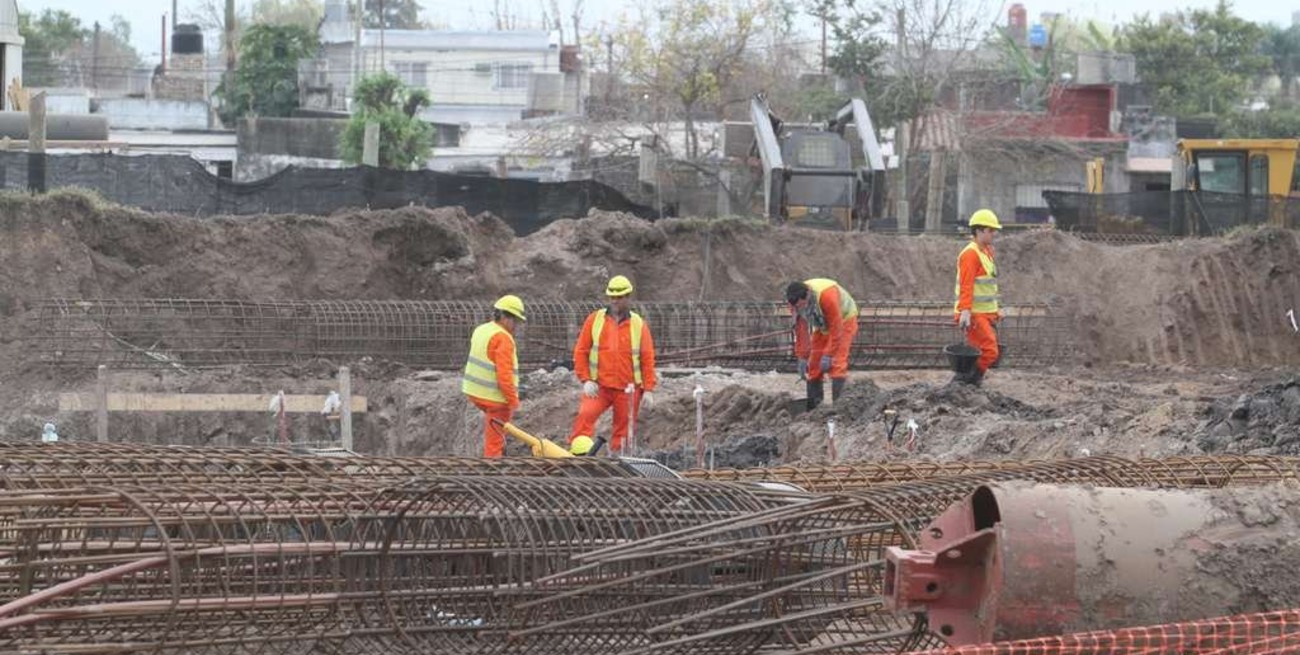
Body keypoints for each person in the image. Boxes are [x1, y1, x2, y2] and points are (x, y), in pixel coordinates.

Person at [569, 275, 657, 454]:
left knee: (623, 431)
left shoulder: (638, 325)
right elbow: (581, 351)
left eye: (620, 297)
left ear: (628, 297)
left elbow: (647, 358)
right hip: (599, 386)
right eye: (612, 297)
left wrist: (648, 389)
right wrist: (585, 379)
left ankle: (618, 461)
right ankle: (578, 455)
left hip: (628, 389)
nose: (615, 301)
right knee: (585, 416)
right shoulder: (595, 320)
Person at [462, 295, 526, 457]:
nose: (515, 326)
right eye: (515, 321)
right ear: (504, 317)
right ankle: (493, 466)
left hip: (474, 391)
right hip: (494, 398)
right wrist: (513, 402)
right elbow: (504, 376)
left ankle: (496, 454)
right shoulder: (503, 338)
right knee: (494, 440)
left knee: (495, 428)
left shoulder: (482, 329)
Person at [786, 278, 859, 410]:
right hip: (822, 325)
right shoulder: (794, 304)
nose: (800, 309)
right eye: (797, 307)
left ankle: (839, 408)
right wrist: (802, 357)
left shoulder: (827, 296)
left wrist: (829, 354)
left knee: (837, 363)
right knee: (814, 366)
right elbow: (801, 331)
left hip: (844, 320)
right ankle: (815, 409)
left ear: (808, 295)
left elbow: (836, 328)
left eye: (802, 305)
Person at [954, 209, 1003, 386]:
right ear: (979, 231)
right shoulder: (970, 254)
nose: (993, 233)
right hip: (975, 315)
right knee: (990, 351)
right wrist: (965, 311)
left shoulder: (986, 252)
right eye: (990, 230)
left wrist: (995, 310)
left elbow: (988, 285)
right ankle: (969, 382)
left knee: (979, 351)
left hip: (984, 314)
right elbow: (967, 285)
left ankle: (966, 383)